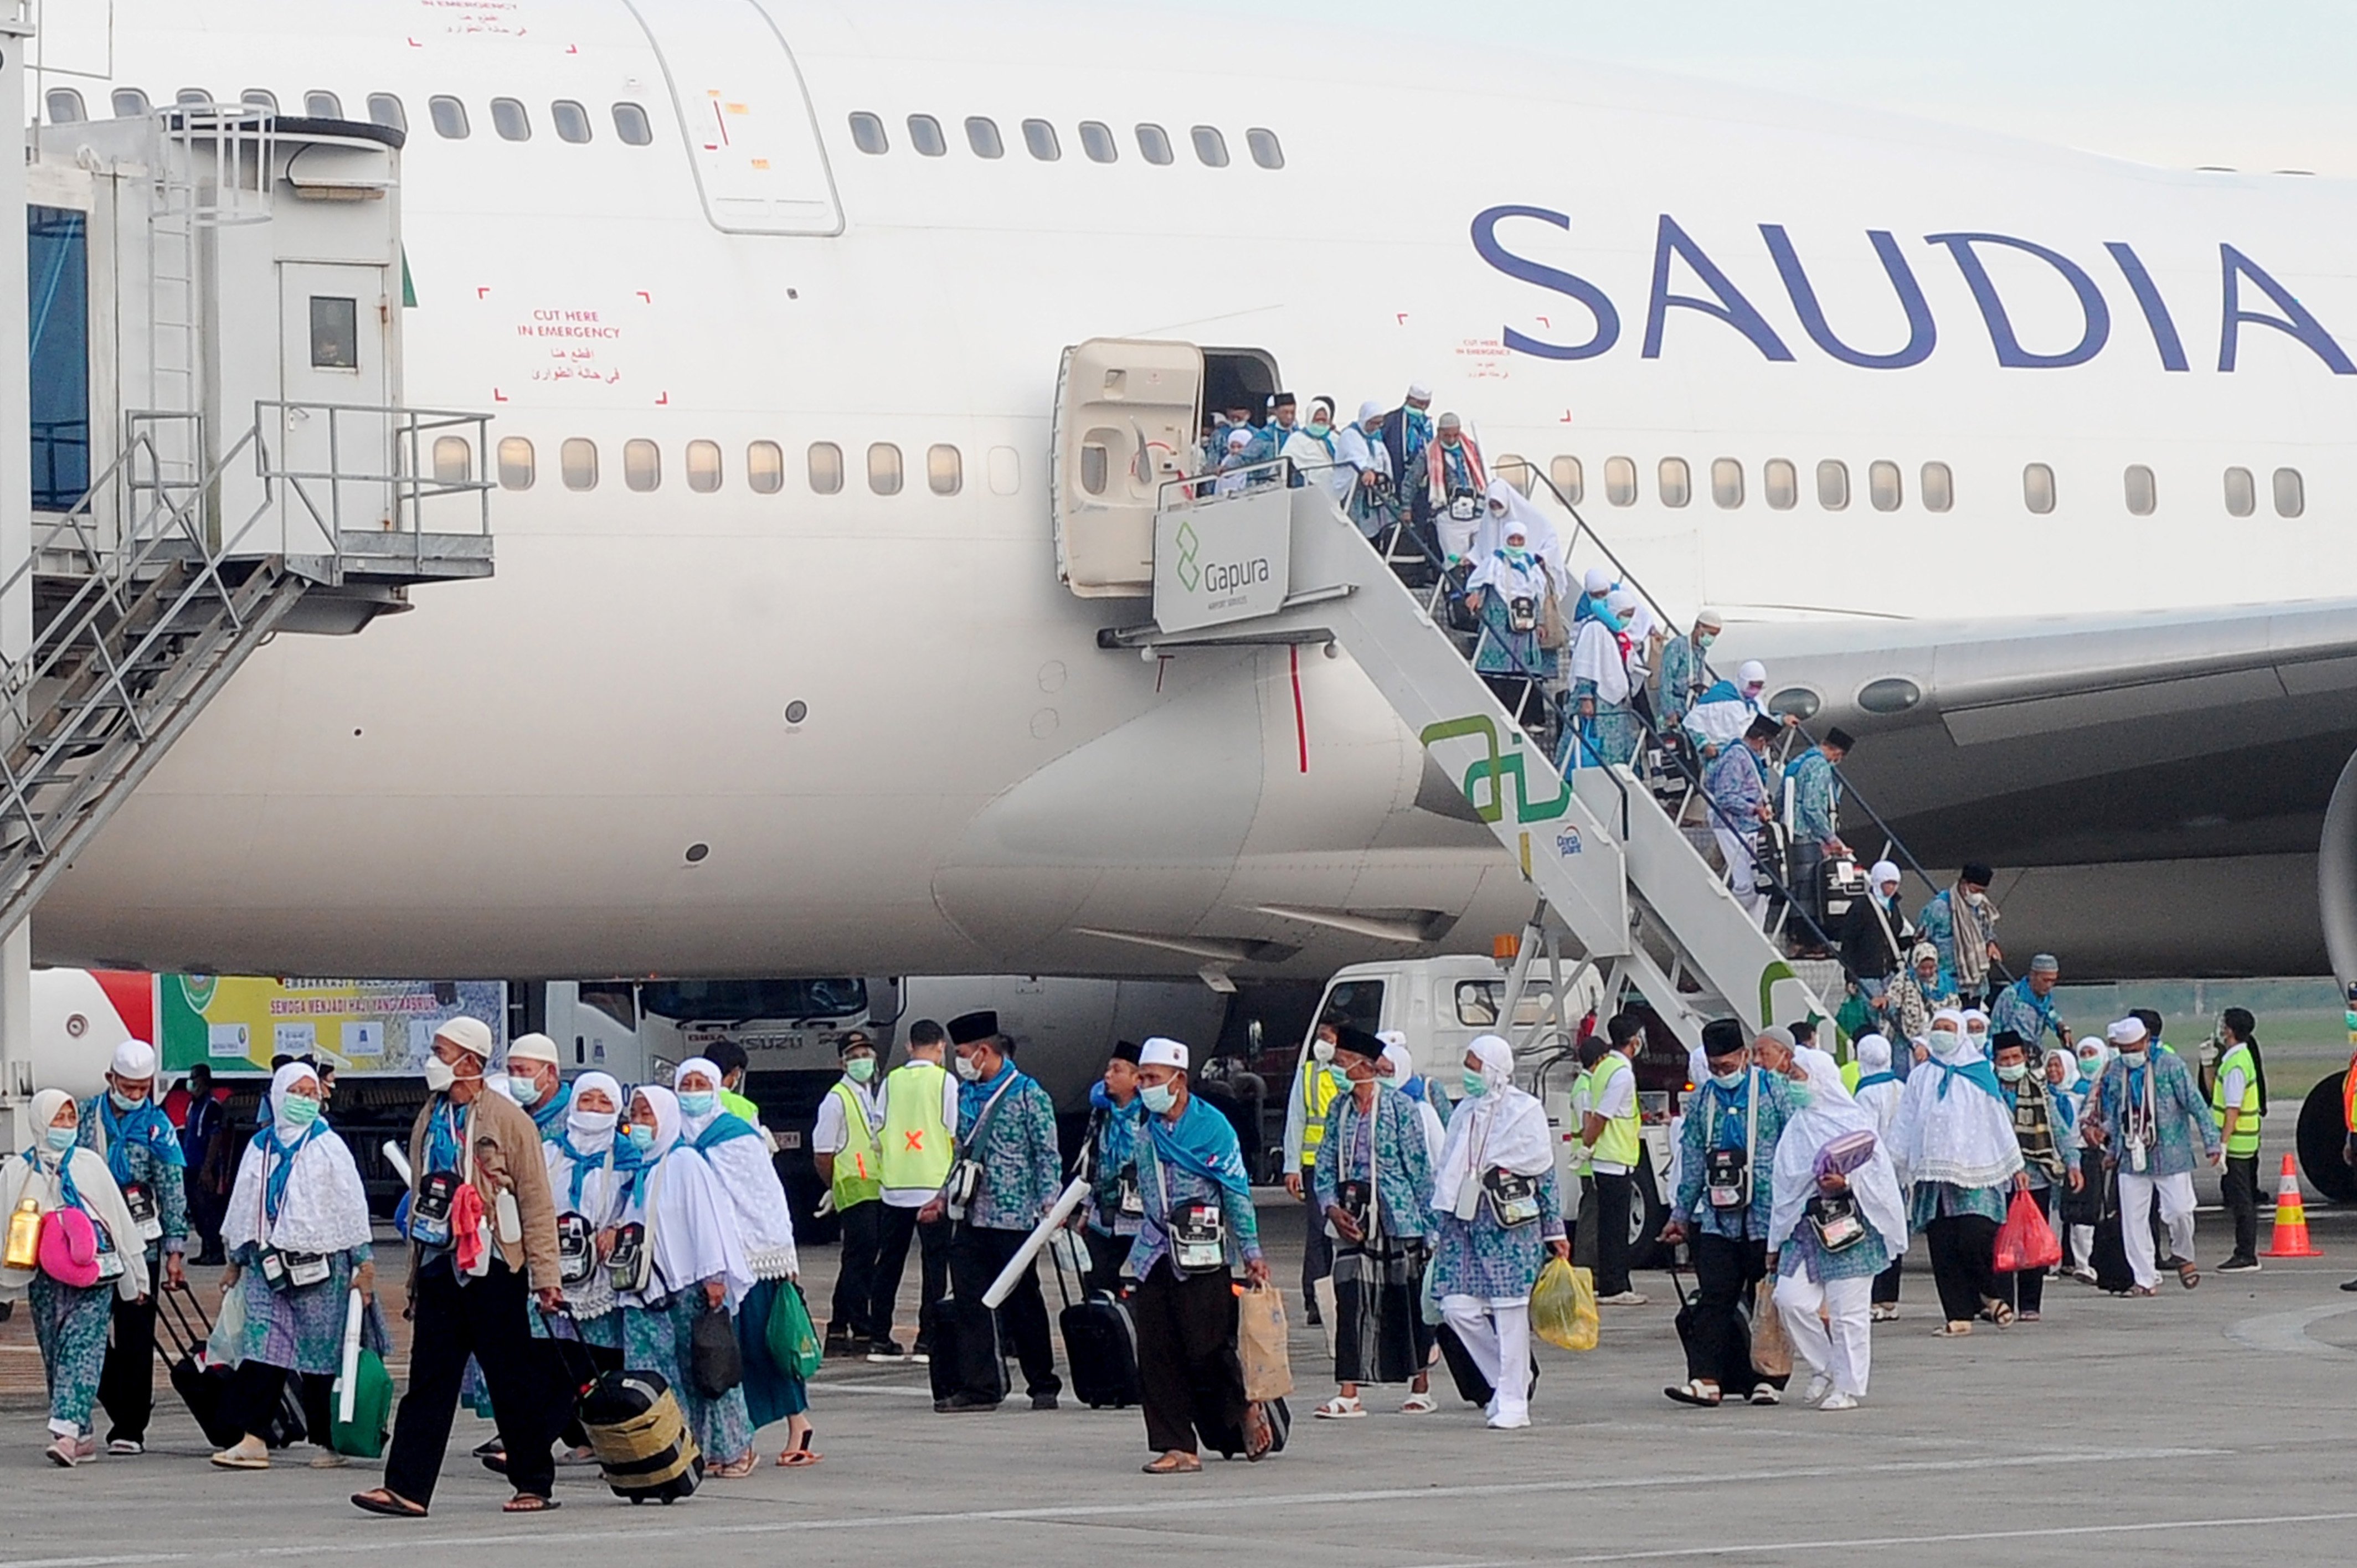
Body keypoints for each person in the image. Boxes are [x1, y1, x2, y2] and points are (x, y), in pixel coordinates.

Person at [354, 1016, 564, 1519]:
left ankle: (533, 1480)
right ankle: (406, 1487)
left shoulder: (509, 1121)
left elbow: (536, 1200)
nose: (433, 1060)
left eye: (441, 1051)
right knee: (429, 1379)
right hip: (439, 1262)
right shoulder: (430, 1115)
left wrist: (547, 1276)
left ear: (470, 1061)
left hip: (494, 1264)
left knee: (509, 1376)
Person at [210, 1062, 388, 1471]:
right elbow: (243, 1206)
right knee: (263, 1349)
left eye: (312, 1094)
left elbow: (350, 1207)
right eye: (298, 1093)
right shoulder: (260, 1147)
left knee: (321, 1355)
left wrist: (365, 1263)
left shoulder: (328, 1146)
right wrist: (235, 1260)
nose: (307, 1101)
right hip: (266, 1267)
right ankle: (254, 1437)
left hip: (321, 1267)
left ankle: (330, 1441)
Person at [1128, 1038, 1274, 1473]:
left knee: (1206, 1348)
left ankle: (1243, 1408)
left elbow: (1236, 1193)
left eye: (1152, 1079)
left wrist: (1251, 1251)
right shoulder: (1146, 1129)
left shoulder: (1213, 1129)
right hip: (1154, 1250)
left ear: (1179, 1081)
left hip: (1203, 1252)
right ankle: (1176, 1445)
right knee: (1156, 1352)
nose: (1145, 1087)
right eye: (1142, 1078)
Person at [611, 1086, 761, 1473]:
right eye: (636, 1115)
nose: (640, 1123)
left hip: (690, 1287)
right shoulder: (643, 1167)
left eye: (648, 1115)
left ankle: (734, 1448)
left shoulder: (685, 1163)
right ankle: (678, 1447)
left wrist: (715, 1277)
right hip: (647, 1291)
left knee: (708, 1373)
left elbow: (707, 1221)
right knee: (656, 1375)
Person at [1426, 1035, 1568, 1431]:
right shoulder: (1465, 1112)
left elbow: (1545, 1174)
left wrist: (1553, 1230)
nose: (1468, 1073)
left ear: (1493, 1068)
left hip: (1510, 1227)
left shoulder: (1526, 1112)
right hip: (1464, 1225)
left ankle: (1512, 1403)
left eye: (1475, 1065)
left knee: (1510, 1313)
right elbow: (1448, 1167)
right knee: (1456, 1307)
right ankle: (1509, 1380)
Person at [1, 1089, 148, 1467]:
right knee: (55, 1353)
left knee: (83, 1349)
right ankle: (81, 1434)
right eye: (58, 1119)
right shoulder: (18, 1172)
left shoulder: (89, 1165)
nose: (65, 1126)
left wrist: (137, 1277)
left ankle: (64, 1434)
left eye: (71, 1119)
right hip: (45, 1281)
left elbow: (119, 1221)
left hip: (92, 1279)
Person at [925, 1012, 1063, 1412]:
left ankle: (1042, 1382)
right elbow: (960, 1154)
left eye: (964, 1054)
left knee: (1024, 1300)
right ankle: (981, 1386)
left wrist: (1050, 1204)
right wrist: (941, 1196)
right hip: (971, 1214)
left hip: (1015, 1218)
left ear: (985, 1052)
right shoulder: (967, 1095)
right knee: (971, 1302)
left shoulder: (1027, 1094)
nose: (961, 1061)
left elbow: (1047, 1153)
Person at [672, 1057, 807, 1465]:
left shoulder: (736, 1134)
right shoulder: (670, 1134)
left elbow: (762, 1197)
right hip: (698, 1259)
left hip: (750, 1256)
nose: (693, 1091)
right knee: (714, 1355)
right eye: (687, 1083)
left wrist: (780, 1252)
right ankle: (728, 1439)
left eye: (701, 1084)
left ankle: (788, 1426)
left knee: (755, 1348)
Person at [1661, 1019, 1793, 1407]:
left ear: (1745, 1056)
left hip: (1767, 1216)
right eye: (1714, 1068)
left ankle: (1768, 1379)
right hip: (1719, 1218)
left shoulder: (1774, 1091)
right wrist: (1681, 1215)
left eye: (1727, 1066)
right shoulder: (1704, 1099)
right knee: (1715, 1297)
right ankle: (1706, 1379)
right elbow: (1693, 1162)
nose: (1721, 1074)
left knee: (1767, 1299)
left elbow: (1795, 1147)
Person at [1767, 1044, 1905, 1410]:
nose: (1792, 1084)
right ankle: (1826, 1365)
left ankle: (1848, 1386)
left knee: (1848, 1314)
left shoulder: (1853, 1120)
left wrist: (1846, 1183)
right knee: (1789, 1299)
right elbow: (1785, 1187)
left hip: (1850, 1228)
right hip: (1805, 1228)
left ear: (1820, 1079)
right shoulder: (1797, 1126)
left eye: (1797, 1077)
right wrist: (1774, 1240)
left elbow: (1877, 1176)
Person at [1311, 1026, 1437, 1419]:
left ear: (1364, 1064)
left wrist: (1430, 1227)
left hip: (1399, 1219)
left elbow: (1419, 1169)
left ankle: (1420, 1384)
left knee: (1406, 1302)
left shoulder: (1401, 1108)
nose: (1339, 1068)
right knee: (1351, 1302)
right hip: (1354, 1218)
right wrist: (1331, 1207)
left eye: (1344, 1061)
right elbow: (1326, 1161)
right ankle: (1348, 1392)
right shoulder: (1340, 1108)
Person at [73, 1040, 186, 1457]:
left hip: (142, 1246)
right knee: (87, 1331)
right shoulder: (84, 1116)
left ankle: (130, 1427)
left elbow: (172, 1188)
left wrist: (175, 1248)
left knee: (137, 1334)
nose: (135, 1095)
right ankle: (121, 1401)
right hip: (90, 1241)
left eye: (142, 1088)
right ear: (111, 1079)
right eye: (128, 1086)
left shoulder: (157, 1126)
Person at [1888, 1008, 2024, 1337]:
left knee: (1974, 1236)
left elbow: (1997, 1121)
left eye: (1949, 1028)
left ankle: (1990, 1293)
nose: (1942, 1033)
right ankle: (1958, 1315)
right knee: (1944, 1245)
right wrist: (1894, 1160)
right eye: (1938, 1027)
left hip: (1974, 1170)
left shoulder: (1980, 1073)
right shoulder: (1922, 1076)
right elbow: (1906, 1119)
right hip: (1932, 1175)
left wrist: (2015, 1164)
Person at [536, 1070, 634, 1463]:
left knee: (601, 1361)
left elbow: (639, 1202)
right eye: (587, 1100)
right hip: (555, 1268)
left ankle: (603, 1440)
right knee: (553, 1358)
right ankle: (552, 1436)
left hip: (603, 1275)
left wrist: (616, 1228)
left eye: (603, 1102)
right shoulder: (551, 1151)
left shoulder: (627, 1155)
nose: (593, 1109)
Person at [2090, 1015, 2219, 1296]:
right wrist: (2108, 1144)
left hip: (2171, 1153)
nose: (2130, 1056)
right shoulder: (2115, 1071)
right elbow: (2112, 1113)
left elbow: (2196, 1105)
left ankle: (2183, 1253)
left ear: (2147, 1042)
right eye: (2124, 1051)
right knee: (2134, 1221)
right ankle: (2145, 1279)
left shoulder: (2170, 1066)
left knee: (2180, 1210)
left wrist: (2212, 1142)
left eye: (2135, 1049)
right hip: (2130, 1157)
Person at [873, 1019, 959, 1359]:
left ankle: (879, 1337)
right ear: (942, 1047)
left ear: (909, 1046)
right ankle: (928, 1339)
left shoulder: (891, 1081)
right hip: (932, 1186)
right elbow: (953, 1132)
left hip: (894, 1184)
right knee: (934, 1265)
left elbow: (877, 1129)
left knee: (889, 1263)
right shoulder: (945, 1082)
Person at [1990, 1030, 2082, 1322]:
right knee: (2000, 1242)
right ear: (1995, 1061)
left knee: (2031, 1240)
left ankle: (2030, 1304)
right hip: (1997, 1178)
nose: (2011, 1063)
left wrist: (2073, 1162)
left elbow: (2058, 1129)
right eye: (2005, 1059)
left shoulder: (2038, 1089)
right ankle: (2002, 1302)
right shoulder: (1987, 1090)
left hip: (2036, 1177)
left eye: (2016, 1057)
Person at [814, 1031, 891, 1355]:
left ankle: (837, 1327)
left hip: (876, 1187)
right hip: (854, 1187)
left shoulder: (872, 1094)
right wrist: (835, 1186)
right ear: (842, 1062)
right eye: (854, 1056)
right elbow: (823, 1152)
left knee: (858, 1261)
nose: (862, 1061)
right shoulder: (837, 1099)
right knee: (861, 1262)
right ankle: (861, 1329)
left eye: (866, 1054)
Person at [1581, 1013, 1648, 1306]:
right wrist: (1588, 1140)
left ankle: (1615, 1282)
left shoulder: (1605, 1068)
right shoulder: (1622, 1074)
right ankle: (1615, 1285)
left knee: (1611, 1225)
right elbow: (1602, 1116)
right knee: (1615, 1228)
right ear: (1634, 1041)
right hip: (1614, 1159)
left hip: (1608, 1159)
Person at [1281, 1022, 1345, 1327]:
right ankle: (1315, 1299)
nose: (1322, 1044)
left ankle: (1341, 1295)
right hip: (1315, 1165)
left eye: (1328, 1039)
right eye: (1320, 1038)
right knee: (1319, 1232)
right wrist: (1291, 1166)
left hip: (1346, 1166)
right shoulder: (1308, 1074)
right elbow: (1297, 1119)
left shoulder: (1349, 1074)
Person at [1464, 515, 1552, 723]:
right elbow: (1479, 582)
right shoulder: (1494, 562)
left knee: (1525, 672)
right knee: (1497, 671)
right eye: (1512, 540)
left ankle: (1529, 719)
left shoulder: (1531, 566)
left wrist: (1539, 622)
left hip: (1524, 624)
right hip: (1499, 621)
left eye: (1519, 540)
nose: (1515, 544)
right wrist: (1475, 594)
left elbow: (1538, 596)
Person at [1080, 1040, 1146, 1295]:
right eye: (1108, 1070)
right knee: (1098, 1281)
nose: (1108, 1076)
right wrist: (1086, 1211)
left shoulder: (1149, 1115)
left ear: (1136, 1079)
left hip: (1141, 1219)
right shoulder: (1102, 1114)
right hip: (1104, 1216)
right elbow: (1092, 1161)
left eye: (1117, 1070)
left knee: (1146, 1283)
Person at [1850, 1035, 1908, 1320]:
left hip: (1873, 1172)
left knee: (1873, 1231)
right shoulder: (1901, 1086)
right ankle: (1890, 1300)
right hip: (1898, 1171)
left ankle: (1875, 1299)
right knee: (1894, 1228)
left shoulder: (1866, 1094)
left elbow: (1863, 1136)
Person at [1783, 729, 1854, 951]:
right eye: (1839, 756)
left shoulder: (1799, 761)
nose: (1837, 761)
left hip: (1791, 829)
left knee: (1797, 886)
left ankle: (1798, 937)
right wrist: (1830, 837)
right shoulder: (1820, 766)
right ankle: (1808, 941)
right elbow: (1813, 806)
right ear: (1836, 751)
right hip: (1806, 834)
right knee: (1809, 890)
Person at [1706, 715, 1782, 921]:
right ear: (1761, 741)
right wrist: (1754, 809)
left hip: (1747, 826)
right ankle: (1726, 920)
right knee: (1746, 885)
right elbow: (1725, 796)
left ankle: (1753, 933)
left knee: (1761, 885)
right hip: (1732, 824)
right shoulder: (1736, 757)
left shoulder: (1745, 757)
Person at [2210, 1007, 2266, 1273]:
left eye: (2224, 1025)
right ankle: (2245, 1252)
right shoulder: (2236, 1059)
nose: (2221, 1029)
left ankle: (2246, 1254)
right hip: (2242, 1141)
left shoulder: (2237, 1063)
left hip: (2238, 1144)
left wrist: (2222, 1144)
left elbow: (2232, 1107)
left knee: (2242, 1200)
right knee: (2240, 1197)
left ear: (2230, 1030)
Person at [1565, 585, 1639, 769]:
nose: (1627, 619)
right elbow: (1586, 664)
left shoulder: (1614, 632)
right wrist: (1586, 698)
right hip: (1597, 700)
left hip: (1614, 704)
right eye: (1626, 614)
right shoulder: (1595, 629)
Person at [1921, 864, 2003, 1002]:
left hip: (1975, 982)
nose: (1978, 895)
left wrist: (1991, 943)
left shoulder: (1981, 906)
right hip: (1947, 982)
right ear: (1964, 884)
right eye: (1975, 890)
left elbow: (1986, 931)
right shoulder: (1939, 907)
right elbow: (1921, 941)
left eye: (1983, 892)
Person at [178, 1063, 232, 1265]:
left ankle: (216, 1252)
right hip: (190, 1165)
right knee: (197, 1210)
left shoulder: (212, 1106)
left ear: (203, 1080)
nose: (191, 1082)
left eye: (194, 1078)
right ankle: (205, 1250)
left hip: (204, 1167)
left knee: (208, 1210)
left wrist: (207, 1169)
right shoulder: (194, 1104)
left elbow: (215, 1138)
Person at [1655, 610, 1722, 761]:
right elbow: (1666, 679)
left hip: (1691, 707)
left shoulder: (1700, 651)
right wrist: (1669, 712)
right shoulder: (1677, 647)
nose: (1711, 639)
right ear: (1699, 627)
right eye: (1710, 634)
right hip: (1675, 707)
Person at [1878, 944, 1954, 1069]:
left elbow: (1954, 1011)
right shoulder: (1905, 979)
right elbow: (1893, 999)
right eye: (1923, 968)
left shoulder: (1945, 983)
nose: (1928, 972)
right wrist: (1885, 1002)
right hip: (1908, 1041)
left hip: (1936, 1041)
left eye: (1932, 967)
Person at [1424, 412, 1488, 561]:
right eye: (1447, 436)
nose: (1452, 440)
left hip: (1475, 512)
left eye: (1455, 435)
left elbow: (1484, 474)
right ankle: (1455, 583)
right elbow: (1412, 480)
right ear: (1439, 432)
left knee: (1483, 556)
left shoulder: (1472, 449)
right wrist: (1406, 508)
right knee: (1455, 560)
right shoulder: (1429, 453)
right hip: (1449, 514)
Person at [1841, 862, 1911, 996]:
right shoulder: (1861, 907)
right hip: (1866, 976)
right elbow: (1849, 944)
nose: (1892, 888)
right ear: (1878, 882)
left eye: (1895, 883)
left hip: (1890, 974)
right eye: (1888, 883)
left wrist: (1912, 940)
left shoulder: (1894, 908)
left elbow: (1892, 942)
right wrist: (1850, 977)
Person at [1684, 659, 1774, 759]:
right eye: (1753, 685)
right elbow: (1692, 723)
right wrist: (1704, 744)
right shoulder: (1719, 701)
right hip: (1722, 757)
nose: (1756, 690)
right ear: (1745, 681)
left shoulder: (1755, 703)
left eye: (1760, 686)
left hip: (1747, 757)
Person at [1989, 955, 2072, 1063]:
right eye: (2045, 980)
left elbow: (2051, 1014)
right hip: (2014, 1058)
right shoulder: (2012, 996)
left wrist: (2063, 1028)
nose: (2049, 985)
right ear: (2033, 975)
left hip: (2035, 1056)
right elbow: (1996, 1028)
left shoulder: (2046, 998)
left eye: (2053, 981)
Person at [1335, 400, 1398, 538]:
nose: (1376, 427)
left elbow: (1384, 461)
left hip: (1374, 491)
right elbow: (1356, 456)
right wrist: (1366, 470)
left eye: (1379, 423)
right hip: (1353, 490)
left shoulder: (1376, 439)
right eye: (1373, 423)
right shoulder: (1350, 435)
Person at [504, 1033, 569, 1140]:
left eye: (523, 1070)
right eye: (511, 1071)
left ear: (550, 1072)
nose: (515, 1077)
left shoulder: (574, 1115)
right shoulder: (516, 1117)